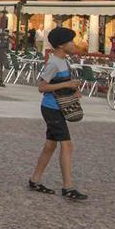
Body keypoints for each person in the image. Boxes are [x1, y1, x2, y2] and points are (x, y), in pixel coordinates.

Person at [29, 27, 88, 201]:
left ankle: (35, 180)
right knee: (67, 145)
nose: (73, 44)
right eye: (71, 41)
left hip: (58, 106)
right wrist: (67, 85)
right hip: (51, 108)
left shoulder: (65, 61)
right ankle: (68, 187)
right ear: (61, 45)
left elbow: (61, 83)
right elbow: (42, 87)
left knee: (50, 145)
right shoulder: (54, 63)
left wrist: (73, 91)